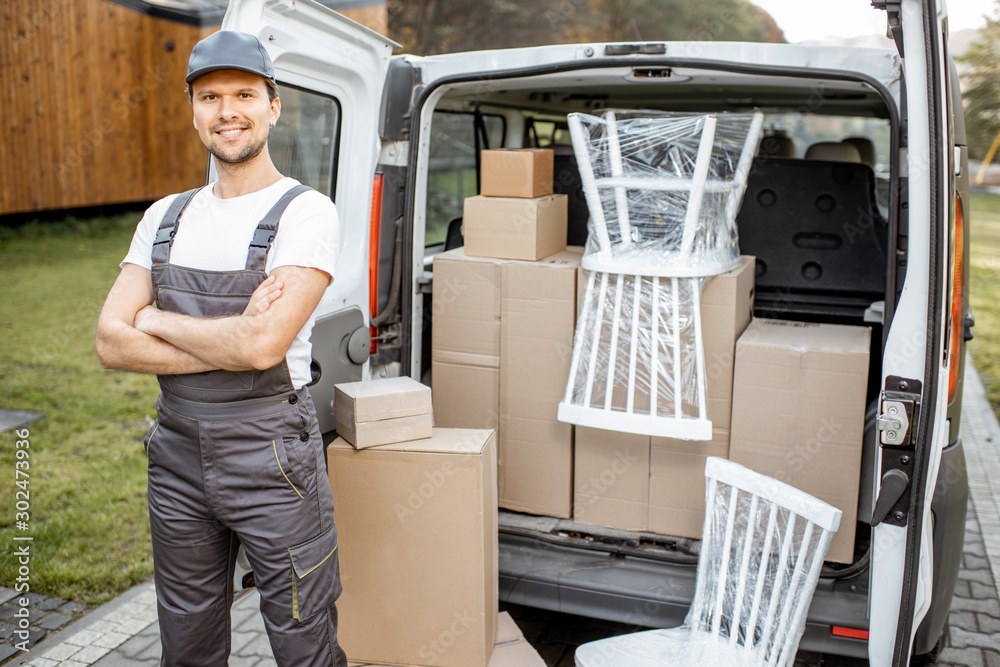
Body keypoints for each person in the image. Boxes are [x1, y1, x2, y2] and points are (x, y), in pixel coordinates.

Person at [95, 30, 347, 667]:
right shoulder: (164, 217)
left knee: (301, 633)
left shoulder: (306, 213)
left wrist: (154, 316)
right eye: (210, 96)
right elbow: (110, 342)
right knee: (186, 640)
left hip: (272, 458)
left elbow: (264, 346)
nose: (226, 110)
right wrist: (231, 340)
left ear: (273, 105)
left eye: (243, 94)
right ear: (192, 107)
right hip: (176, 452)